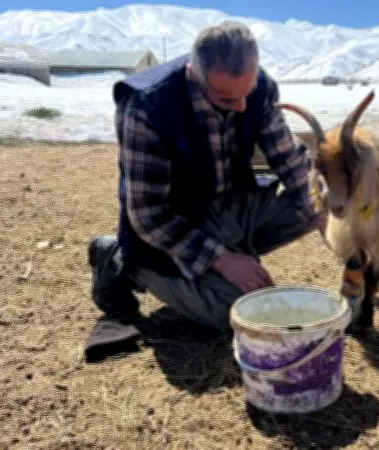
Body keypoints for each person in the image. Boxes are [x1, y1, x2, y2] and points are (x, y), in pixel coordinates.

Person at [84, 21, 324, 361]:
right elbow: (149, 216)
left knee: (315, 207)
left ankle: (228, 254)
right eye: (227, 98)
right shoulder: (146, 107)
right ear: (195, 75)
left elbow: (291, 160)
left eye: (248, 92)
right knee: (237, 313)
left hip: (228, 206)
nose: (242, 106)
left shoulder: (255, 88)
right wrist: (222, 260)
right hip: (170, 227)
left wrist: (329, 211)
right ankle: (121, 259)